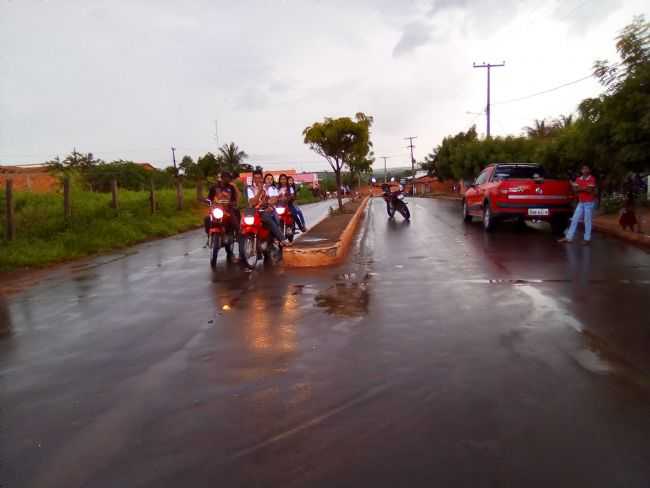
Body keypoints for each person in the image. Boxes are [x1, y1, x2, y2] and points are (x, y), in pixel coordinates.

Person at [246, 171, 290, 246]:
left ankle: (282, 239)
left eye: (259, 178)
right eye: (255, 178)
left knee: (268, 219)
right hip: (253, 211)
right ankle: (241, 253)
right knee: (243, 222)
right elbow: (252, 202)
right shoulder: (250, 188)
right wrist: (260, 191)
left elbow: (272, 200)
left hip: (264, 210)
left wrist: (269, 204)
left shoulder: (267, 187)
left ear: (262, 179)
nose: (257, 180)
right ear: (253, 179)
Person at [559, 164, 597, 245]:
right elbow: (575, 190)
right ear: (581, 171)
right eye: (583, 169)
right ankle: (568, 237)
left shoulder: (591, 178)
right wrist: (583, 188)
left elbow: (589, 190)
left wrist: (579, 188)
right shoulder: (578, 179)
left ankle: (587, 239)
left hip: (589, 202)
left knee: (587, 221)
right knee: (574, 219)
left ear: (589, 170)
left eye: (586, 169)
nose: (584, 170)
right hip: (581, 202)